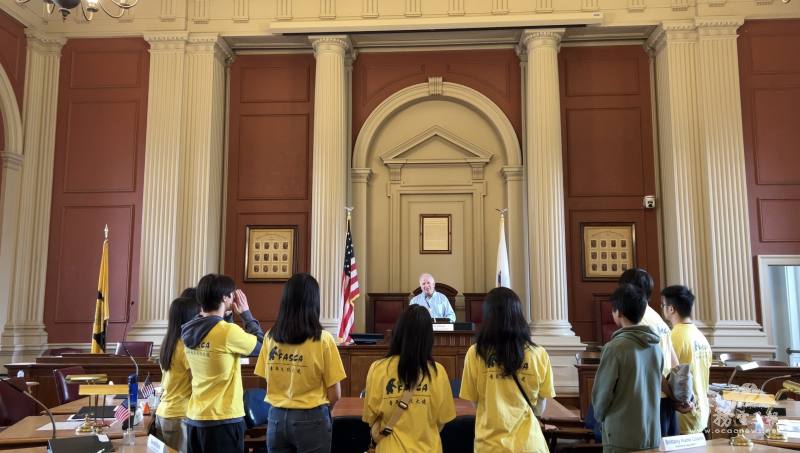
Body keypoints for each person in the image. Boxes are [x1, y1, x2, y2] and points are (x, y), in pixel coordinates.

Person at [254, 273, 346, 453]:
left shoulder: (270, 337)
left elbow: (264, 380)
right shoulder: (323, 339)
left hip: (276, 418)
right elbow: (335, 394)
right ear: (314, 302)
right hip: (311, 418)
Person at [460, 287, 554, 453]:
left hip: (490, 445)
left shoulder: (475, 353)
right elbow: (540, 405)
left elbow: (475, 401)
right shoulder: (538, 354)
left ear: (488, 316)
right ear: (518, 316)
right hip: (529, 445)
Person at [181, 274, 264, 453]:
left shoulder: (189, 329)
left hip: (195, 417)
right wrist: (246, 314)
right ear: (225, 298)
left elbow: (216, 335)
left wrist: (226, 317)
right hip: (223, 419)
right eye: (231, 294)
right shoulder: (227, 332)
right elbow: (262, 347)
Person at [363, 305, 456, 453]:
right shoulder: (438, 372)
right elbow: (441, 421)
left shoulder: (378, 369)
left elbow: (371, 418)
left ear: (398, 332)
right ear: (429, 337)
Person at [592, 284, 662, 452]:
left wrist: (599, 417)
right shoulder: (655, 347)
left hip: (620, 436)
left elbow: (603, 393)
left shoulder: (615, 347)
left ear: (618, 312)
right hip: (652, 434)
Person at [618, 268, 681, 436]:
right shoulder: (656, 316)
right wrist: (677, 395)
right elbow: (675, 363)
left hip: (651, 398)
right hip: (665, 395)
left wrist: (673, 396)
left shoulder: (638, 320)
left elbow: (652, 366)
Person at [662, 285, 712, 435]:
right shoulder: (701, 337)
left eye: (663, 305)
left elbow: (662, 376)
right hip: (700, 414)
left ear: (671, 309)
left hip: (683, 415)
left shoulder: (673, 337)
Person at [156, 296, 200, 453]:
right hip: (179, 415)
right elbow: (200, 380)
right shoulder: (185, 348)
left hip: (164, 412)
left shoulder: (168, 342)